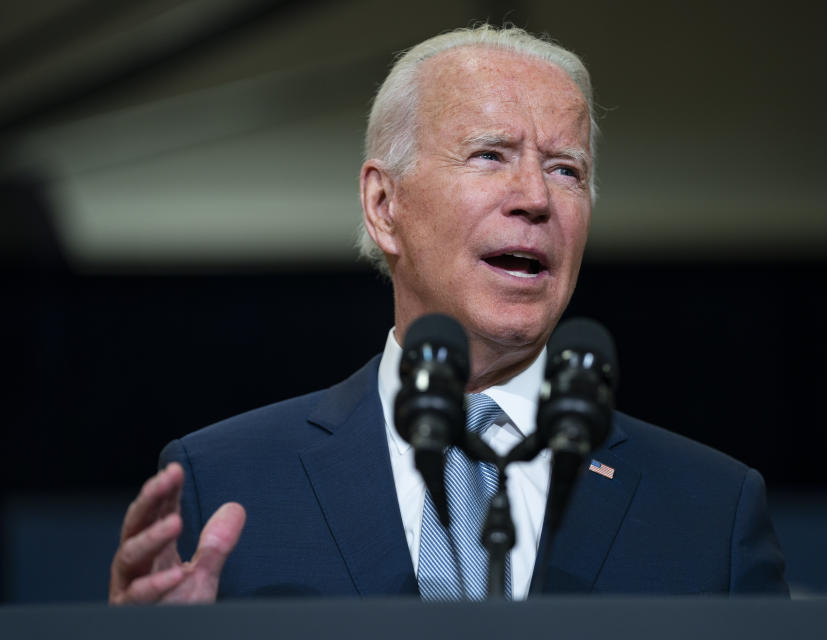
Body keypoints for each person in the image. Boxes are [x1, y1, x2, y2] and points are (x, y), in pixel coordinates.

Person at [109, 25, 788, 605]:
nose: (535, 199)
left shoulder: (710, 511)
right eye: (490, 155)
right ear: (384, 205)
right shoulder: (228, 483)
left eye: (565, 170)